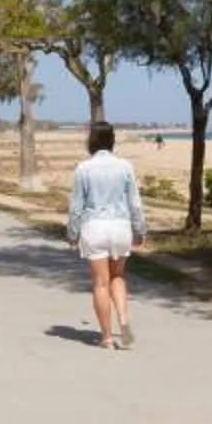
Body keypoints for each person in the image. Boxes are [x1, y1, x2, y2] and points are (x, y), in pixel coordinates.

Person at [66, 120, 147, 351]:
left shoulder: (83, 168)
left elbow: (76, 207)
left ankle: (107, 337)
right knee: (118, 276)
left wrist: (72, 233)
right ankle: (122, 318)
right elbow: (135, 203)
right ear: (112, 140)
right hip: (120, 227)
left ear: (91, 141)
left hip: (95, 228)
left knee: (101, 283)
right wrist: (139, 230)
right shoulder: (125, 167)